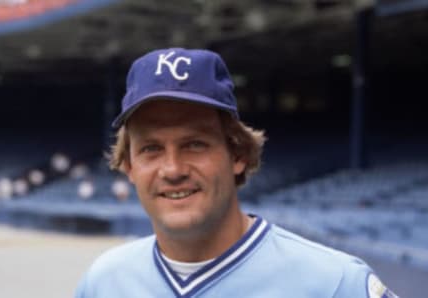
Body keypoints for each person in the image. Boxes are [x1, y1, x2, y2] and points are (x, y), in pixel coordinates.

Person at [75, 48, 397, 298]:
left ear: (238, 154)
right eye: (151, 149)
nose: (172, 169)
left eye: (195, 144)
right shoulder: (104, 282)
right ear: (129, 167)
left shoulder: (335, 283)